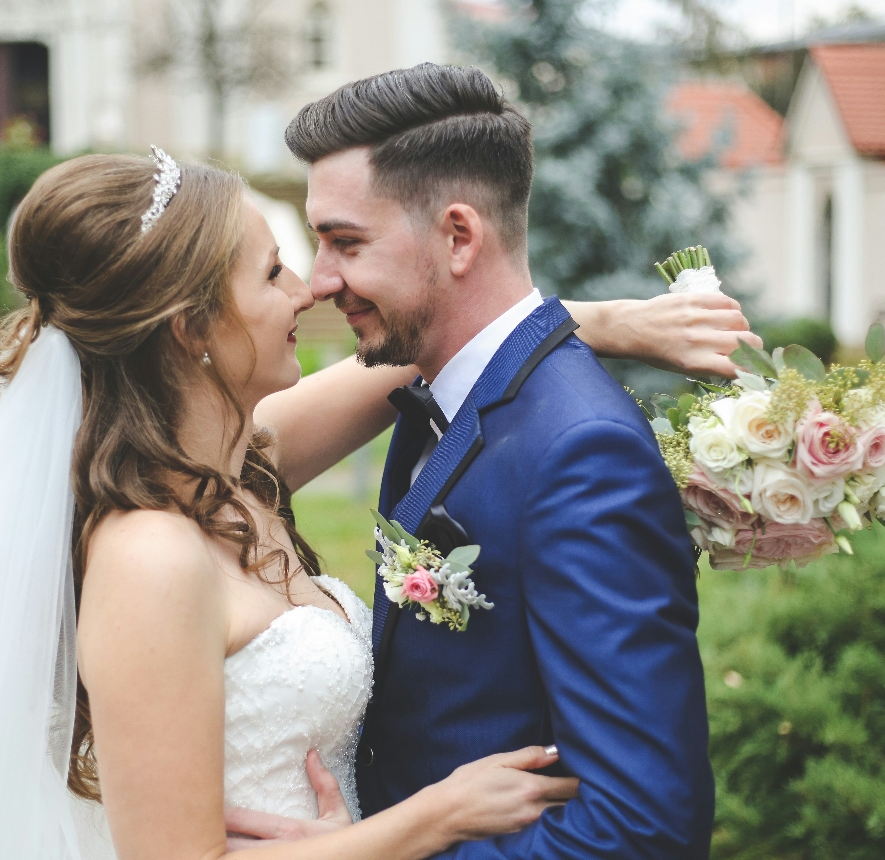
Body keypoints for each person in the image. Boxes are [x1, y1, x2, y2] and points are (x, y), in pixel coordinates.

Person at [0, 116, 757, 860]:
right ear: (191, 327)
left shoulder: (229, 469)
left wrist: (602, 323)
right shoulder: (151, 552)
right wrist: (427, 821)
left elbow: (436, 347)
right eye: (273, 270)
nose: (308, 289)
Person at [228, 63, 727, 858]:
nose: (319, 283)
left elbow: (643, 830)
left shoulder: (580, 452)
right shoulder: (450, 390)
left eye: (345, 243)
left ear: (459, 236)